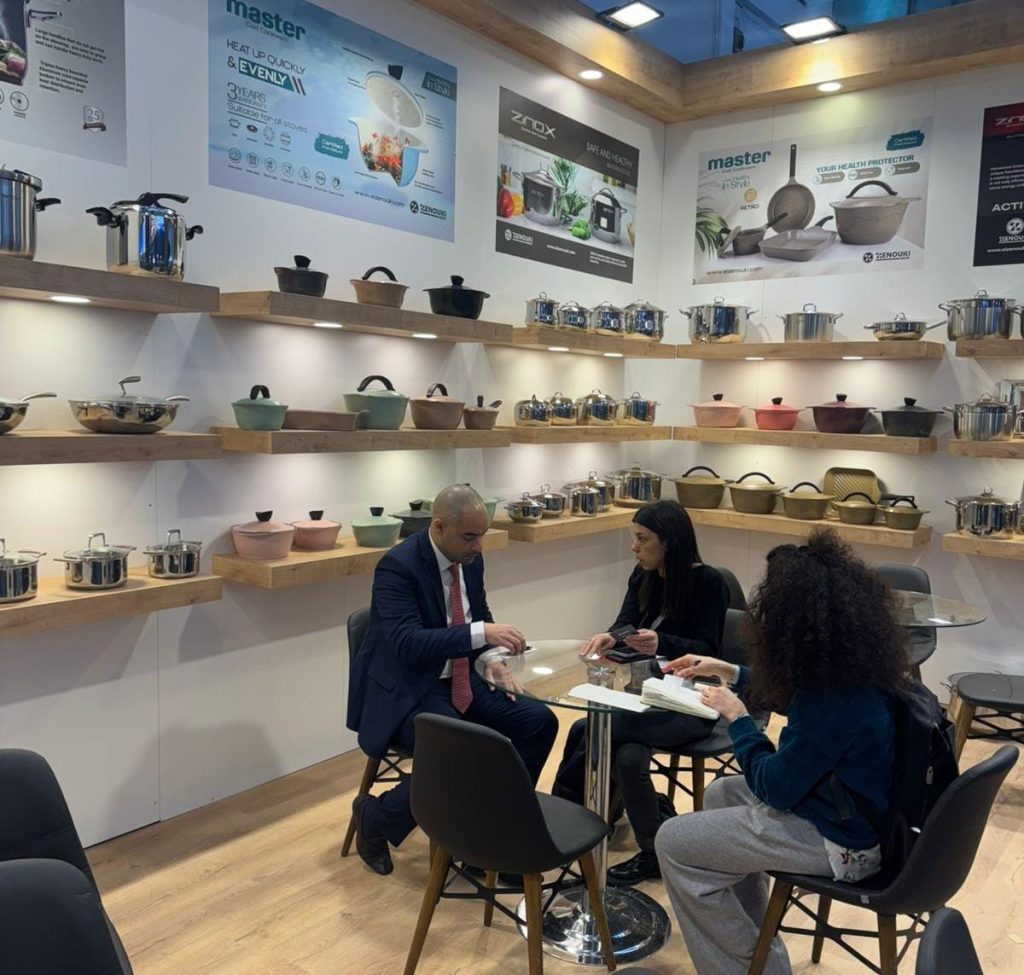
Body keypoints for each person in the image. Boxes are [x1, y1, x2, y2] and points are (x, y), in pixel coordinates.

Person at [655, 529, 910, 975]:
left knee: (672, 841)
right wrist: (731, 671)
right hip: (850, 813)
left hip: (842, 842)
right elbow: (797, 703)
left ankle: (751, 966)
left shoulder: (832, 701)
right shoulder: (853, 674)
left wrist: (738, 719)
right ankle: (757, 950)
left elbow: (775, 787)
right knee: (722, 793)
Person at [346, 484, 558, 876]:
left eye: (482, 535)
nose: (478, 546)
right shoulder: (397, 567)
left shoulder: (469, 558)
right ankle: (374, 817)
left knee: (539, 722)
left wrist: (490, 658)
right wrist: (481, 634)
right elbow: (408, 644)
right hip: (411, 689)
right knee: (465, 753)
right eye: (469, 537)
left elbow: (478, 612)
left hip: (461, 677)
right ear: (439, 526)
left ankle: (494, 831)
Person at [552, 500, 729, 886]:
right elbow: (626, 622)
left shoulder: (709, 583)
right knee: (627, 756)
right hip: (646, 693)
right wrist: (611, 636)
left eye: (642, 539)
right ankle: (651, 845)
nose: (634, 547)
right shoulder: (643, 575)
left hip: (691, 702)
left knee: (590, 729)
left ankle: (564, 820)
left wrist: (662, 642)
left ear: (669, 541)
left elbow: (709, 650)